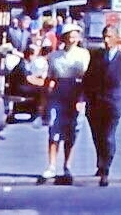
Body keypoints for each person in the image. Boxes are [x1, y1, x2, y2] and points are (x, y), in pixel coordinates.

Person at [81, 23, 121, 186]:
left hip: (114, 101)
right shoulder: (96, 55)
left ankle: (105, 169)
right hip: (95, 101)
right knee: (97, 135)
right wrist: (83, 97)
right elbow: (88, 78)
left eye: (110, 37)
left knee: (108, 135)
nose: (106, 40)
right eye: (104, 37)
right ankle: (100, 161)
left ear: (117, 39)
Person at [39, 23, 90, 184]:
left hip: (76, 93)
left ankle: (67, 166)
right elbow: (50, 79)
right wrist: (44, 101)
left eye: (75, 34)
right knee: (54, 129)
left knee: (72, 131)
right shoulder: (54, 56)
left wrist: (82, 98)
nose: (72, 38)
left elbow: (86, 78)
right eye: (69, 34)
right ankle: (51, 165)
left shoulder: (83, 54)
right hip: (58, 93)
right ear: (64, 37)